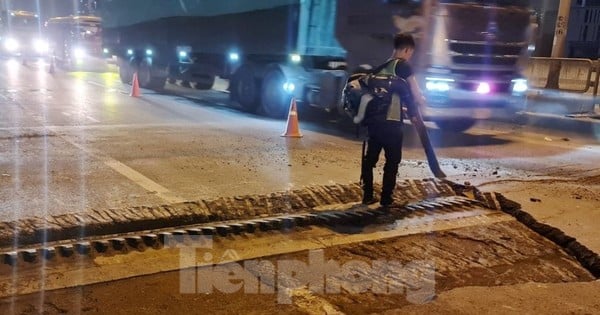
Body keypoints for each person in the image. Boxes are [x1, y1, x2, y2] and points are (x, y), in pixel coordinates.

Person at [360, 32, 425, 206]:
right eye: (410, 52)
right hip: (392, 124)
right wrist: (420, 102)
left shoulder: (380, 68)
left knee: (370, 160)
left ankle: (367, 196)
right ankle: (386, 199)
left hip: (374, 123)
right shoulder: (403, 66)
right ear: (406, 49)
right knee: (392, 161)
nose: (410, 56)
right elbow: (415, 94)